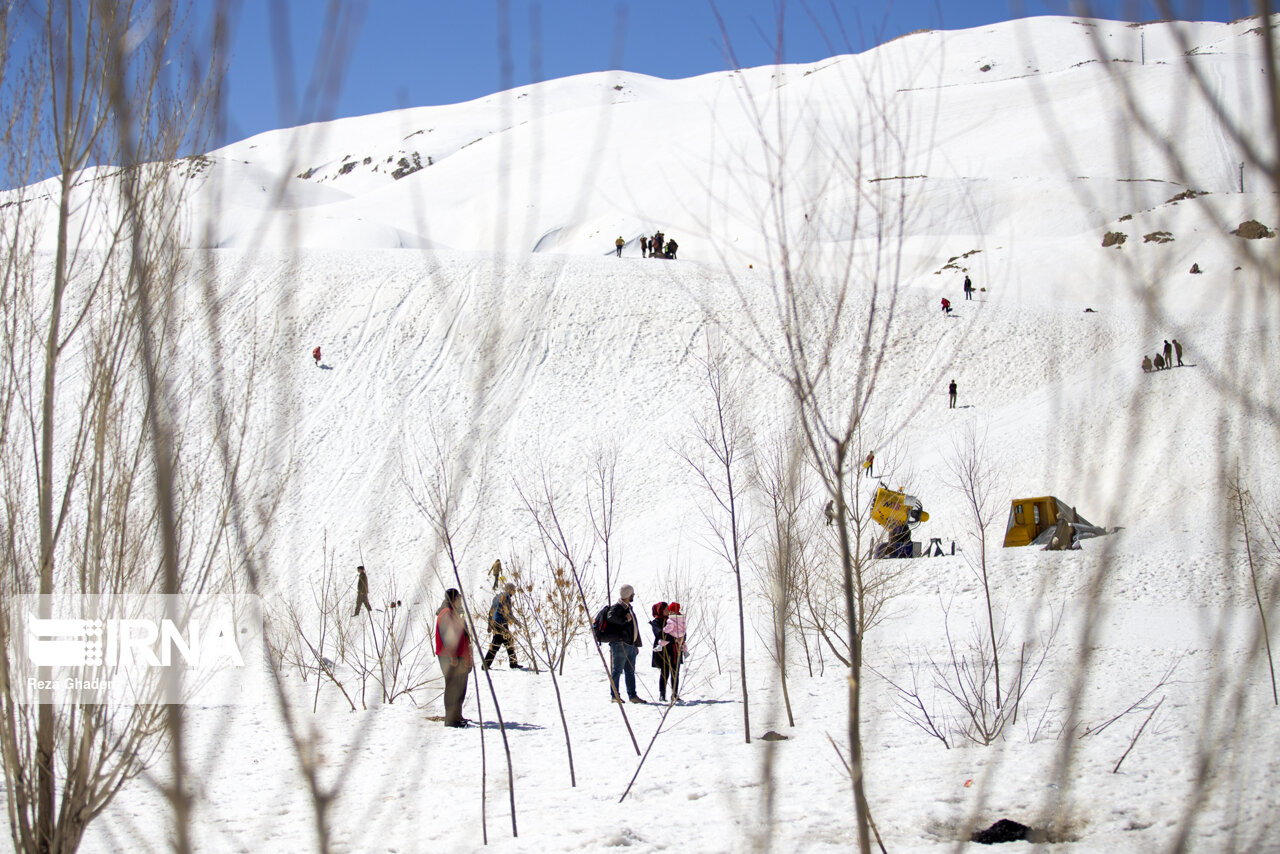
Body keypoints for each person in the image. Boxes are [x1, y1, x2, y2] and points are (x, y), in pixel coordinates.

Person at [434, 589, 473, 727]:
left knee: (459, 685)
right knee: (452, 686)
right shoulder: (446, 614)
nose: (460, 601)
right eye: (458, 598)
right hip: (450, 657)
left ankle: (457, 715)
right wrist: (453, 656)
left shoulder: (454, 612)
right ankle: (451, 719)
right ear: (453, 599)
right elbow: (447, 636)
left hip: (458, 655)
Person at [603, 584, 644, 703]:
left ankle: (632, 696)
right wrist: (625, 619)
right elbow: (611, 618)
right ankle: (615, 696)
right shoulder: (618, 607)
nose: (633, 595)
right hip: (620, 644)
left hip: (630, 644)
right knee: (617, 670)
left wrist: (635, 643)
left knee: (630, 671)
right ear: (628, 595)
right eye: (632, 593)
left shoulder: (627, 608)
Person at [482, 583, 521, 670]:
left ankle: (513, 663)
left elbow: (491, 611)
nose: (514, 592)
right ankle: (486, 664)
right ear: (509, 589)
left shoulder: (496, 597)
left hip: (495, 622)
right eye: (514, 590)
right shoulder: (506, 596)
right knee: (497, 644)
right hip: (501, 623)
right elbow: (509, 613)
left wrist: (489, 624)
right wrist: (517, 622)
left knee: (508, 641)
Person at [657, 602, 687, 702]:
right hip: (666, 650)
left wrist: (680, 638)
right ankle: (662, 693)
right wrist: (676, 638)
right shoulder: (658, 621)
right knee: (664, 672)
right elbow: (659, 633)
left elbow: (683, 633)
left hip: (675, 649)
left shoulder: (673, 620)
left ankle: (674, 693)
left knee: (675, 671)